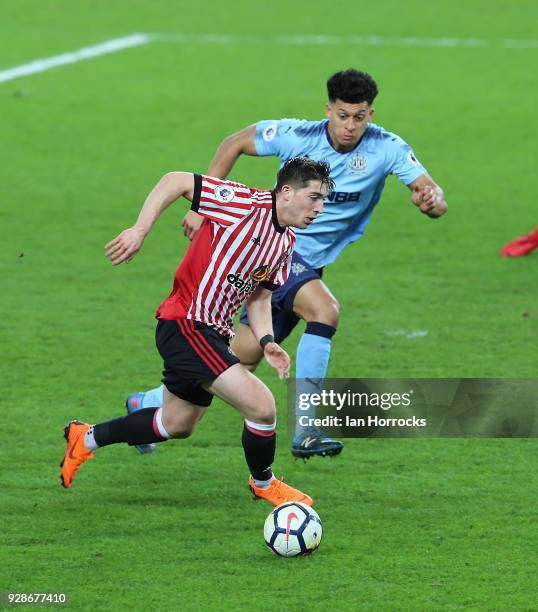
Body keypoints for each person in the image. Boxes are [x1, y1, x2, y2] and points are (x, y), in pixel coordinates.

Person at [128, 68, 448, 459]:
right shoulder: (297, 136)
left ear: (371, 114)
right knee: (325, 310)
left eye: (359, 117)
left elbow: (429, 190)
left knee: (238, 360)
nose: (350, 126)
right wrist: (202, 206)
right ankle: (308, 429)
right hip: (275, 248)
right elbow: (234, 143)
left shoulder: (388, 148)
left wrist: (433, 202)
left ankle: (145, 403)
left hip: (295, 267)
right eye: (342, 115)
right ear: (328, 109)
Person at [60, 156, 335, 508]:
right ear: (285, 192)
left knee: (176, 423)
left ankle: (86, 438)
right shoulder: (242, 204)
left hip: (213, 334)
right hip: (186, 324)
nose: (320, 208)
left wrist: (267, 341)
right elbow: (175, 180)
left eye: (323, 199)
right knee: (263, 406)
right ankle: (264, 483)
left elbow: (260, 297)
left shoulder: (284, 242)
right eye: (313, 197)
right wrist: (140, 229)